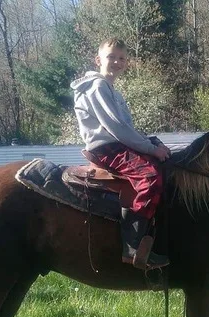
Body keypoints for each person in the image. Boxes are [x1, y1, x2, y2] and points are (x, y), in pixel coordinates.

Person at [70, 38, 172, 269]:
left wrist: (152, 142)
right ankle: (132, 246)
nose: (116, 61)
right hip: (107, 147)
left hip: (118, 144)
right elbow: (117, 129)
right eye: (111, 57)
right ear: (98, 60)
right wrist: (151, 149)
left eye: (122, 58)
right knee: (149, 177)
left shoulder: (113, 91)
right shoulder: (97, 87)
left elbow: (128, 129)